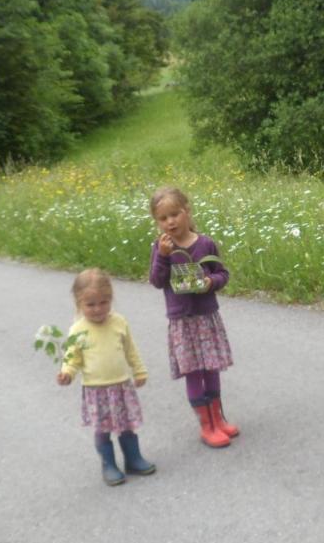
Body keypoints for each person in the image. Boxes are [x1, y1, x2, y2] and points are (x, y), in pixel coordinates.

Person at [148, 186, 239, 448]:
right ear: (157, 221)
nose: (170, 222)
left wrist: (210, 281)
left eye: (174, 214)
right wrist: (163, 258)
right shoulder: (161, 247)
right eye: (163, 218)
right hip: (182, 320)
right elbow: (156, 280)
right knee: (193, 372)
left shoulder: (205, 243)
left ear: (187, 211)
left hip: (206, 316)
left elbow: (222, 274)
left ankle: (218, 419)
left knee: (212, 369)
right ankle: (206, 426)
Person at [56, 268, 156, 486]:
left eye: (104, 302)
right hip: (96, 389)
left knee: (126, 424)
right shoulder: (78, 330)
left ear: (111, 299)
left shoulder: (119, 322)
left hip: (121, 385)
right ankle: (108, 465)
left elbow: (131, 349)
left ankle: (133, 458)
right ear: (79, 304)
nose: (98, 309)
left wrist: (139, 370)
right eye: (90, 305)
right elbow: (73, 358)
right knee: (103, 429)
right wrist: (67, 373)